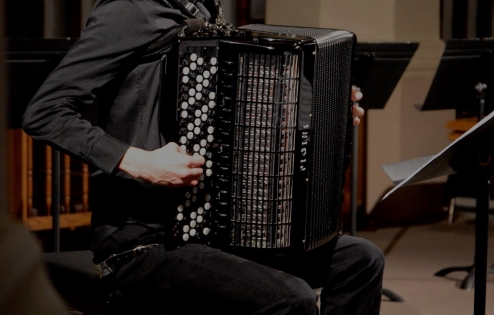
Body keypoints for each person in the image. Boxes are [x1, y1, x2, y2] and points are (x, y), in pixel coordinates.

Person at [22, 0, 383, 314]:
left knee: (360, 261)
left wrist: (327, 108)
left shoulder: (204, 7)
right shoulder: (129, 8)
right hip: (142, 242)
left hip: (214, 229)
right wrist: (138, 161)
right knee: (291, 299)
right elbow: (45, 112)